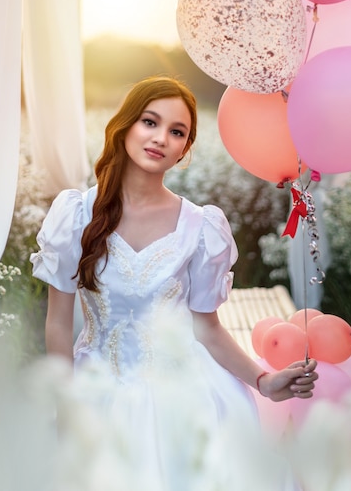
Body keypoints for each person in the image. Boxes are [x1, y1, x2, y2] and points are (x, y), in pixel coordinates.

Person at [31, 75, 317, 489]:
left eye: (177, 131)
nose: (161, 137)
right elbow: (58, 323)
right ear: (126, 126)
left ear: (184, 148)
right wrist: (67, 405)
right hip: (100, 393)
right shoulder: (76, 213)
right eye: (150, 122)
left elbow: (207, 328)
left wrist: (264, 381)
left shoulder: (201, 226)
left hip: (184, 395)